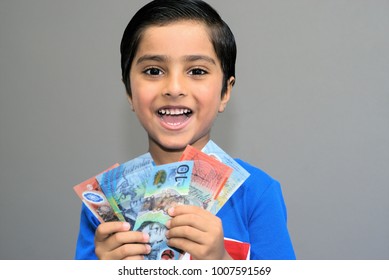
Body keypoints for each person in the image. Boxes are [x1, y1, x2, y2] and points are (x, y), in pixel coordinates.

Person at [75, 0, 296, 260]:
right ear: (129, 92)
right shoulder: (102, 205)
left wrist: (222, 263)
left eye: (197, 71)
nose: (174, 87)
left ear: (225, 92)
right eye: (154, 71)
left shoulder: (256, 193)